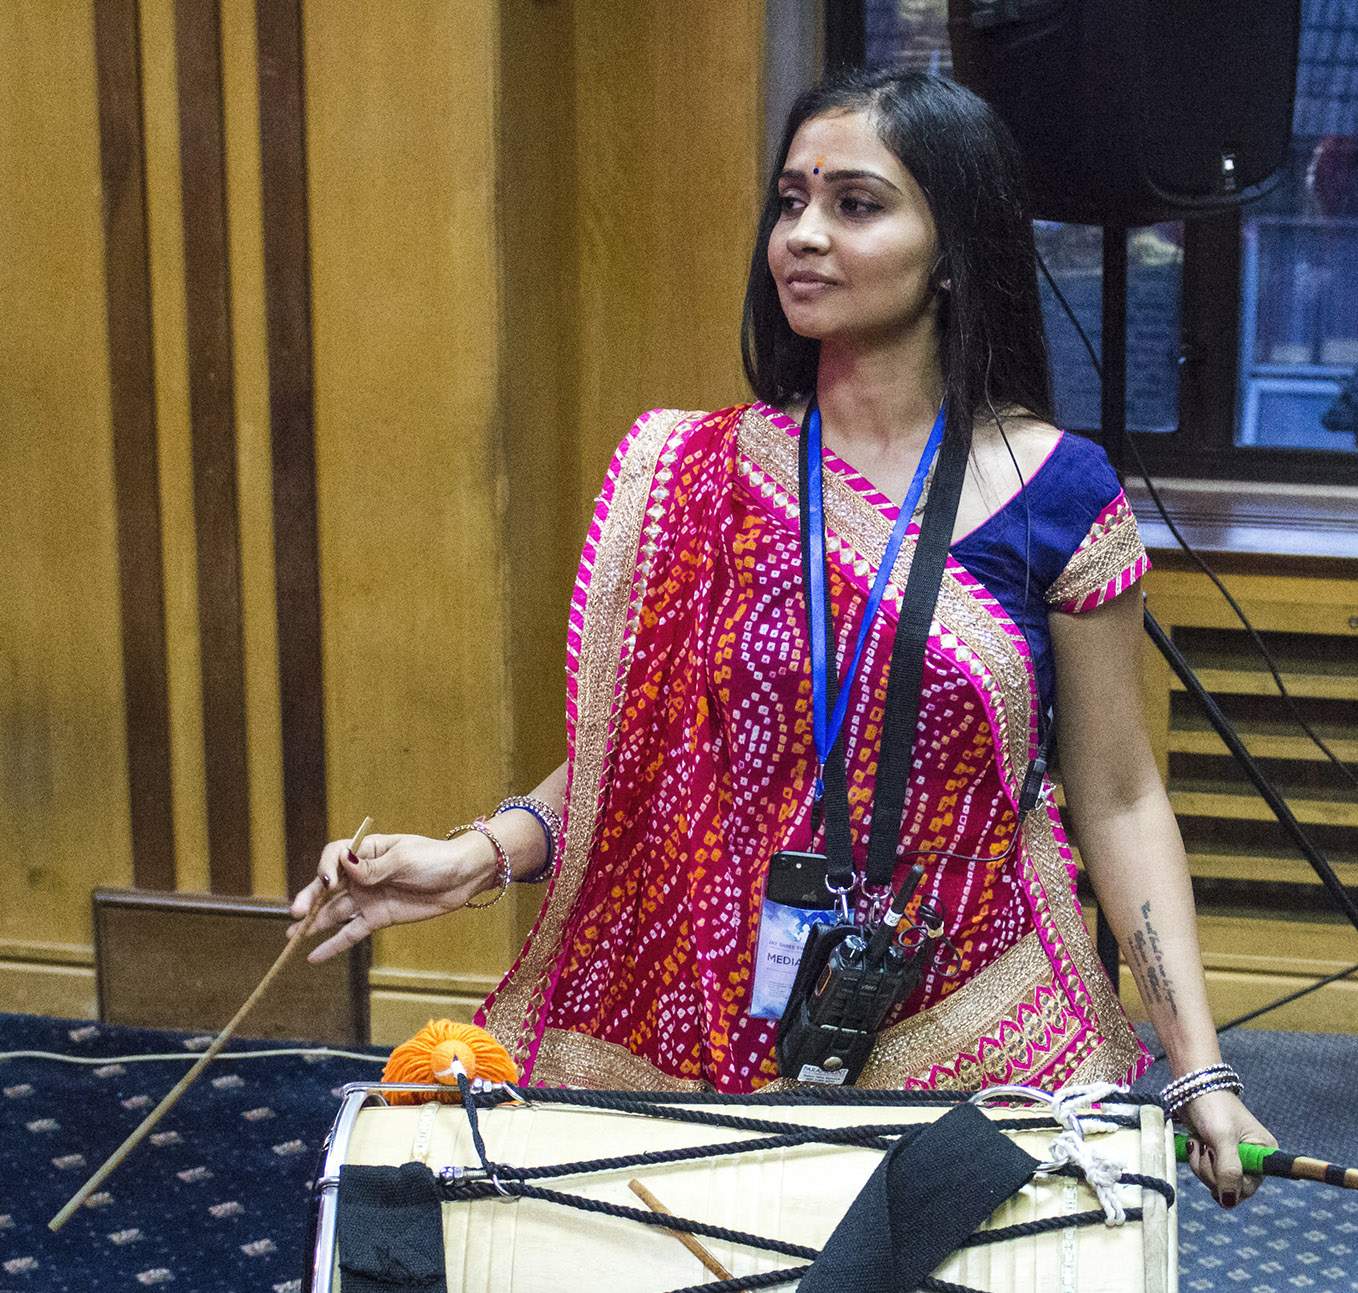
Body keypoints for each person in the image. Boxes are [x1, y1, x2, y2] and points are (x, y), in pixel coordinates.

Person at [291, 69, 1276, 1208]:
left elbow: (1118, 795)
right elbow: (640, 760)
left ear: (953, 251)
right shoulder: (701, 473)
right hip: (723, 1014)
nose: (802, 235)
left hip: (981, 1021)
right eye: (791, 201)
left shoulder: (1059, 492)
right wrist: (472, 858)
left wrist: (1199, 1067)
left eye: (855, 204)